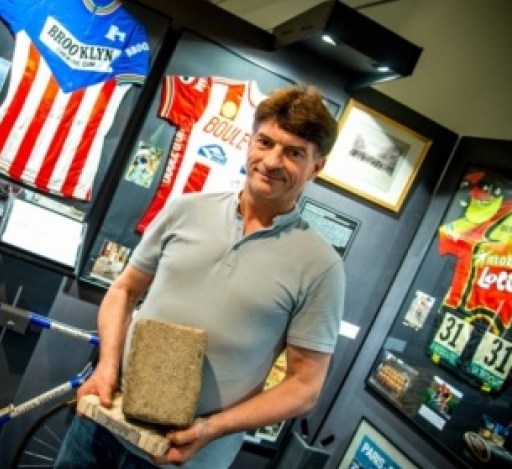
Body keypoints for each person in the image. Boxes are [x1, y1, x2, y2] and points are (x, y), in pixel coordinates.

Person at [54, 85, 346, 469]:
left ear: (316, 168)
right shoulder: (184, 210)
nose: (272, 161)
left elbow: (304, 387)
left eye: (294, 153)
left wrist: (213, 428)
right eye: (265, 142)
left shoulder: (321, 266)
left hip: (187, 459)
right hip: (103, 425)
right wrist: (107, 366)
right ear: (250, 142)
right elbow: (124, 290)